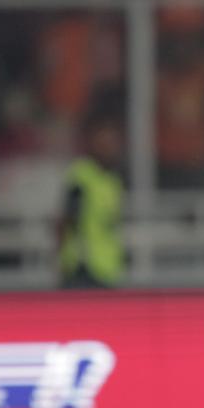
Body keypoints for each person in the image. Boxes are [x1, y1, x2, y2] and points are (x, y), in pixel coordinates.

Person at [56, 108, 125, 289]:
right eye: (104, 140)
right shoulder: (82, 176)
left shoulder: (112, 180)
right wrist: (62, 262)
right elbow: (66, 220)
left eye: (112, 141)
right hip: (83, 268)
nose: (109, 146)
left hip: (108, 268)